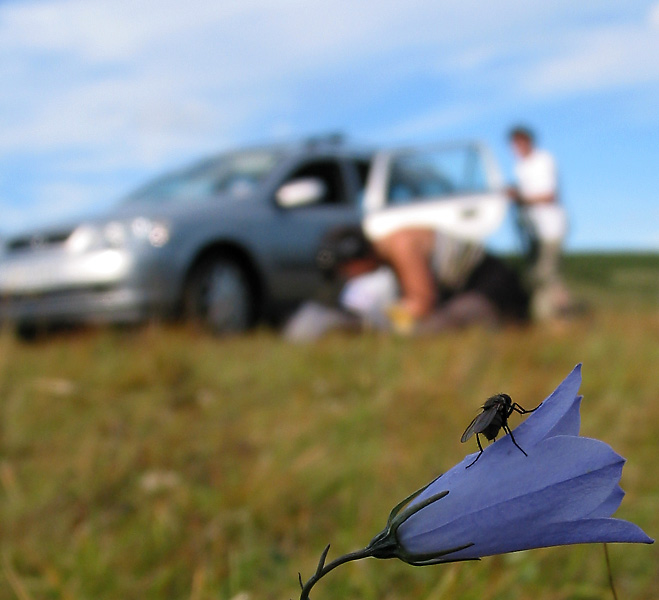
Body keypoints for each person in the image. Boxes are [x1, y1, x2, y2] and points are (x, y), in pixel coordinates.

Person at [282, 226, 529, 341]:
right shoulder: (391, 254)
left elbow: (422, 304)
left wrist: (373, 321)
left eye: (345, 270)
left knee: (435, 328)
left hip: (492, 287)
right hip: (472, 287)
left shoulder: (401, 246)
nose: (348, 278)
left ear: (356, 256)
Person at [507, 126, 570, 320]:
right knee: (542, 274)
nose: (517, 147)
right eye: (514, 143)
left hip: (551, 228)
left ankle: (553, 316)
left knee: (544, 273)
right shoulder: (519, 167)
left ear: (529, 141)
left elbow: (549, 195)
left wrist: (520, 198)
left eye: (520, 142)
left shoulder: (543, 160)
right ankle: (554, 315)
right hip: (533, 230)